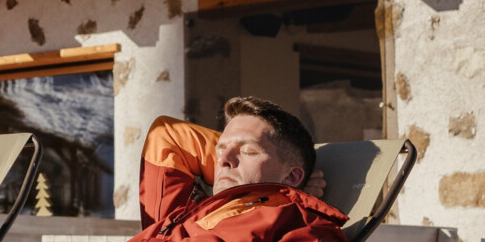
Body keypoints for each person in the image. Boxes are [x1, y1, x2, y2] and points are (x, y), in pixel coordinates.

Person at [129, 96, 344, 242]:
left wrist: (284, 189)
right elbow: (167, 135)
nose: (222, 160)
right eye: (219, 151)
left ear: (292, 174)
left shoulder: (305, 227)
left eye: (249, 151)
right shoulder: (192, 213)